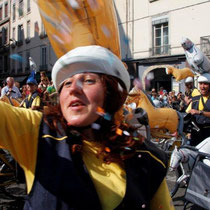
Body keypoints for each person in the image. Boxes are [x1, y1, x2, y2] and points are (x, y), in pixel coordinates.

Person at [0, 45, 173, 209]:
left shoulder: (145, 155)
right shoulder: (38, 132)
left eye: (88, 81)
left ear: (110, 93)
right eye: (66, 84)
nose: (73, 88)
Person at [186, 73, 210, 146]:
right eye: (201, 84)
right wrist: (188, 131)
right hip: (196, 133)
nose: (202, 87)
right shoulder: (195, 99)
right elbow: (187, 116)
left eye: (205, 84)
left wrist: (199, 112)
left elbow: (197, 112)